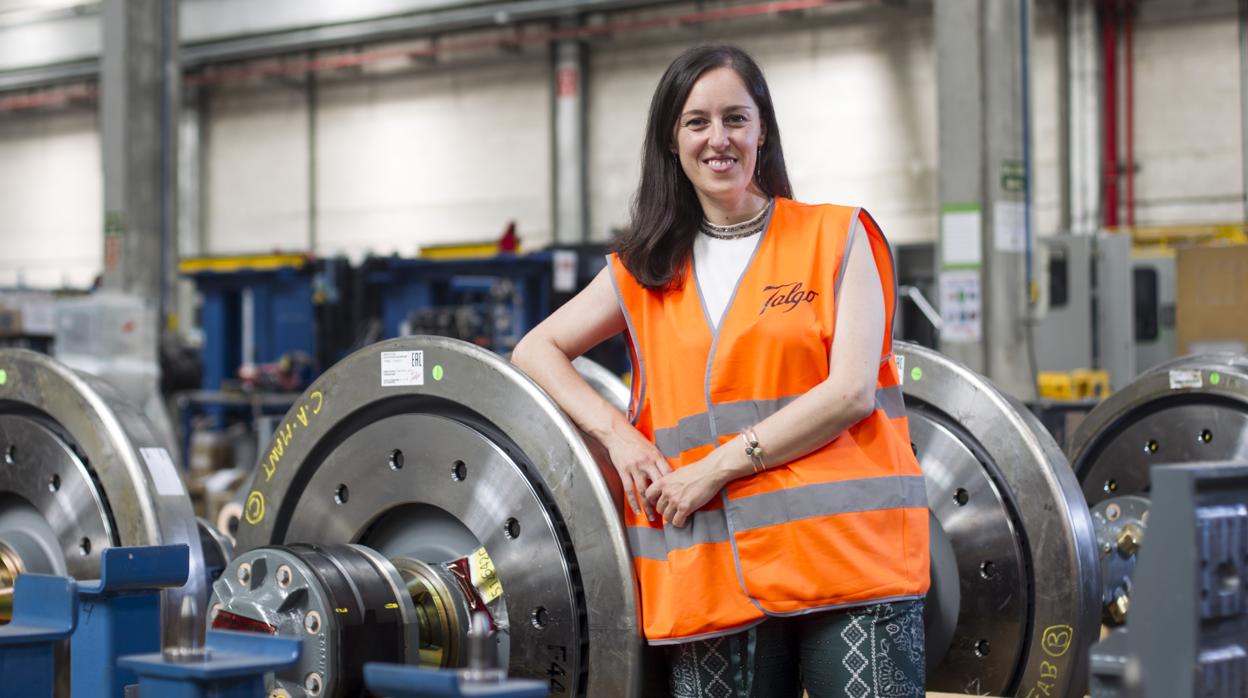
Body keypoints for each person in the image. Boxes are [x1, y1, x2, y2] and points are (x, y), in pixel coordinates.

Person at [512, 44, 929, 697]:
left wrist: (719, 465)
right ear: (671, 141)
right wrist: (618, 436)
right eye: (696, 122)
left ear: (763, 130)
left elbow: (849, 391)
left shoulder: (839, 237)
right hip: (707, 566)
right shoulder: (643, 271)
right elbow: (535, 350)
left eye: (735, 118)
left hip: (849, 559)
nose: (718, 138)